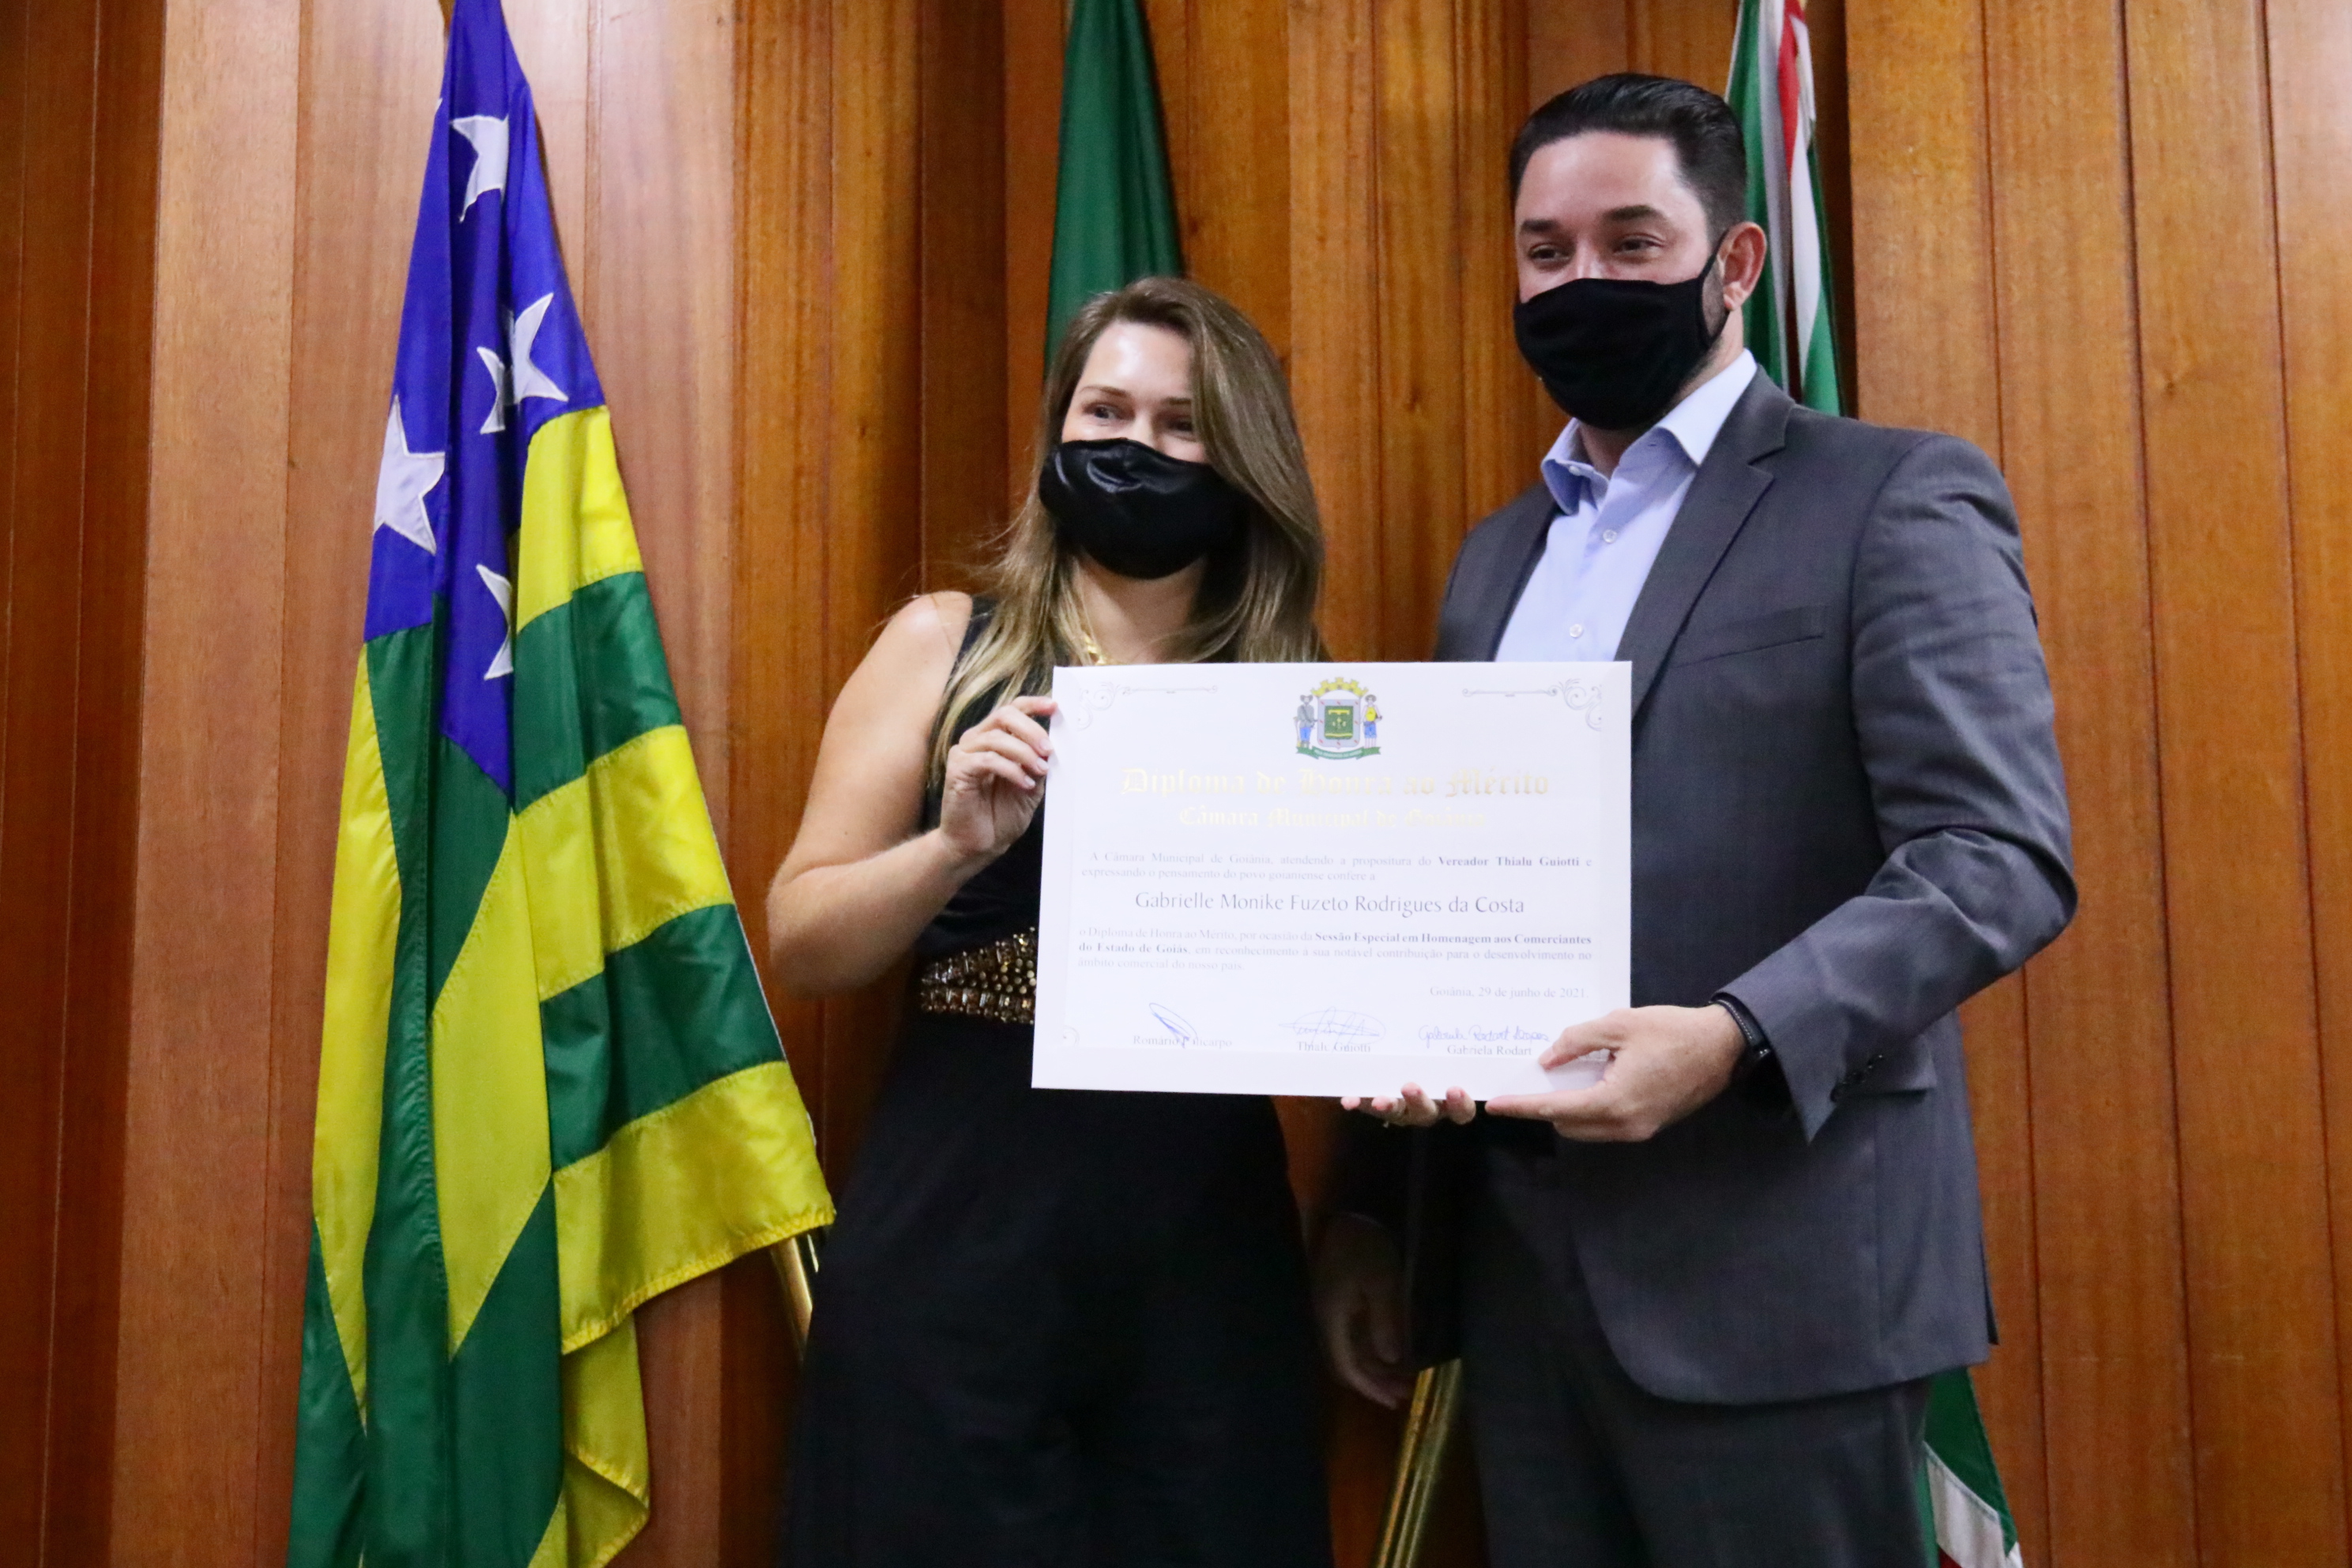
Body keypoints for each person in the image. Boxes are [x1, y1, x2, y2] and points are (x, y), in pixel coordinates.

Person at [1314, 74, 2075, 1568]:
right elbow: (1438, 891)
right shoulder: (1496, 559)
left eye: (1630, 241)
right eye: (1545, 251)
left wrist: (1732, 1037)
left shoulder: (1891, 497)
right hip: (1519, 1283)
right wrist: (1379, 1216)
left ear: (1734, 262)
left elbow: (1997, 857)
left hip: (1779, 1273)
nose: (1581, 282)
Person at [771, 277, 1335, 1568]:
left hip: (1202, 1225)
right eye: (1107, 411)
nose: (1138, 445)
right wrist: (951, 846)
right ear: (1057, 428)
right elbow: (803, 942)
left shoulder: (1296, 696)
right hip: (967, 1198)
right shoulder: (943, 644)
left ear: (1244, 459)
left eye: (1184, 424)